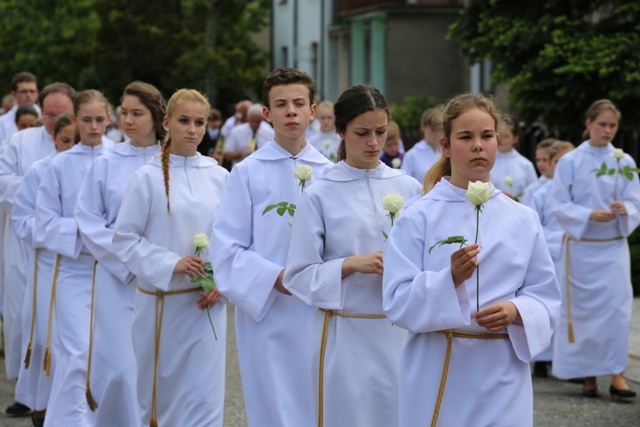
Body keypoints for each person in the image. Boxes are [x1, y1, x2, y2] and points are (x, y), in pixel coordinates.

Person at [381, 93, 560, 427]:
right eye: (466, 137)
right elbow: (395, 299)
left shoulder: (522, 217)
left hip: (502, 368)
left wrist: (516, 311)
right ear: (446, 146)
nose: (478, 145)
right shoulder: (418, 215)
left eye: (487, 136)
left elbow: (545, 295)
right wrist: (449, 278)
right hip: (439, 366)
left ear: (498, 141)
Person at [284, 84, 421, 427]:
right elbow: (297, 275)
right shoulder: (320, 194)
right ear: (342, 131)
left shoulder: (408, 187)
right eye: (362, 133)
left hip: (399, 334)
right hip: (346, 337)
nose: (374, 143)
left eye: (381, 131)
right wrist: (347, 265)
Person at [211, 67, 332, 427]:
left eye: (299, 103)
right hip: (269, 309)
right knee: (274, 404)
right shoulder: (247, 172)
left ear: (313, 110)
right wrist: (275, 277)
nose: (291, 111)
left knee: (319, 401)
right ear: (267, 114)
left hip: (317, 308)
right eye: (281, 105)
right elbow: (227, 247)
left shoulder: (331, 173)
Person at [113, 89, 228, 427]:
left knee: (205, 399)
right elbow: (125, 239)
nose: (192, 130)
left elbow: (234, 241)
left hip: (207, 306)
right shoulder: (146, 178)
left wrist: (222, 281)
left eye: (199, 122)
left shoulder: (220, 176)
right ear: (166, 123)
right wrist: (170, 263)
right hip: (162, 307)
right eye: (184, 121)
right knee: (163, 399)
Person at [75, 81, 165, 426]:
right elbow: (87, 218)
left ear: (156, 117)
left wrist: (156, 261)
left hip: (159, 278)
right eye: (124, 112)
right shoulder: (106, 161)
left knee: (155, 364)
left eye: (137, 113)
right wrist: (127, 259)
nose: (128, 120)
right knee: (119, 367)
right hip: (117, 278)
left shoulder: (171, 160)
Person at [550, 99, 640, 400]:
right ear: (588, 124)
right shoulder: (571, 161)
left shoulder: (623, 161)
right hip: (582, 249)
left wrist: (624, 208)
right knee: (585, 315)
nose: (607, 130)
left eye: (612, 125)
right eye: (602, 124)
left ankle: (617, 374)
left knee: (616, 310)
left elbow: (636, 201)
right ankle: (587, 376)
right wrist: (588, 214)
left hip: (612, 248)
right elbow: (558, 203)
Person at [35, 89, 114, 427]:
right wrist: (89, 233)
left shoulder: (123, 159)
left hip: (115, 272)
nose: (94, 127)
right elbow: (44, 222)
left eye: (100, 119)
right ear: (75, 120)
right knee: (76, 354)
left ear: (109, 118)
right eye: (87, 120)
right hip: (74, 270)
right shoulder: (60, 164)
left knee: (110, 356)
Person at [0, 82, 76, 419]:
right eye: (48, 115)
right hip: (24, 241)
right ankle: (27, 391)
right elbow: (2, 180)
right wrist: (39, 180)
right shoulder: (21, 141)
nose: (53, 121)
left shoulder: (85, 141)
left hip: (69, 248)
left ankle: (62, 392)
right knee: (23, 315)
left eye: (61, 115)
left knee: (65, 322)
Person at [529, 140, 574, 378]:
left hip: (576, 257)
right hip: (552, 255)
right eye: (558, 161)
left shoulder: (576, 192)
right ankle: (543, 357)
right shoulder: (540, 193)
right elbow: (533, 229)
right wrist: (561, 237)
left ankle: (569, 357)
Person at [491, 114, 537, 200]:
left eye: (506, 136)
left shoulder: (525, 165)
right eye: (498, 135)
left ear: (515, 138)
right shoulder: (487, 162)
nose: (501, 140)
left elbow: (533, 193)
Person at [223, 103, 275, 168]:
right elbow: (227, 155)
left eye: (258, 121)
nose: (255, 124)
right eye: (252, 121)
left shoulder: (269, 132)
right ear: (248, 118)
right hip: (242, 171)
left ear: (262, 119)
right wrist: (241, 152)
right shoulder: (236, 131)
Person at [401, 107, 443, 182]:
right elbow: (405, 183)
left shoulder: (447, 152)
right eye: (432, 130)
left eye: (439, 129)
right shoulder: (411, 155)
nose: (436, 134)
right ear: (423, 127)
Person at [0, 72, 40, 144]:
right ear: (14, 94)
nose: (28, 95)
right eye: (24, 92)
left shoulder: (44, 117)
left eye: (32, 91)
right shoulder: (2, 123)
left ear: (37, 93)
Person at [521, 138, 557, 207]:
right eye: (538, 160)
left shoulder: (566, 185)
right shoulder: (532, 190)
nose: (540, 164)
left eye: (545, 160)